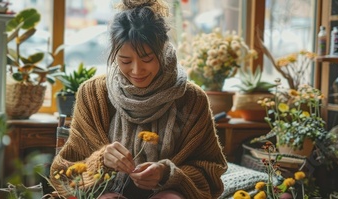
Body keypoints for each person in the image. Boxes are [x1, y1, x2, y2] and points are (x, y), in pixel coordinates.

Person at [49, 0, 227, 198]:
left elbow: (210, 171)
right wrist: (101, 161)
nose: (136, 70)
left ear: (164, 50)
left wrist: (168, 174)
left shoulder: (192, 99)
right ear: (114, 54)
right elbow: (64, 171)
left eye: (147, 59)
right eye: (125, 61)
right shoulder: (92, 95)